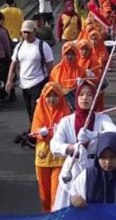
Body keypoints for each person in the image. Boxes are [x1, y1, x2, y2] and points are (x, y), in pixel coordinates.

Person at [50, 81, 116, 211]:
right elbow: (54, 145)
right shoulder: (67, 121)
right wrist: (71, 148)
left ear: (94, 98)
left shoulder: (102, 119)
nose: (85, 98)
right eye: (81, 94)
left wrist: (93, 134)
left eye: (89, 95)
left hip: (96, 170)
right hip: (73, 169)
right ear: (76, 97)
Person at [69, 132, 116, 208]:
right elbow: (73, 196)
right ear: (98, 156)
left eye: (112, 157)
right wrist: (74, 200)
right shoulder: (87, 176)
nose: (108, 162)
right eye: (103, 157)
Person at [31, 82, 72, 213]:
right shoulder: (39, 108)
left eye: (55, 95)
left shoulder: (66, 109)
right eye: (49, 96)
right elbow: (34, 131)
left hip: (60, 158)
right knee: (44, 196)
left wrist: (56, 132)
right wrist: (41, 133)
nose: (52, 99)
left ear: (60, 97)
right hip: (43, 157)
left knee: (56, 194)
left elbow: (69, 131)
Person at [6, 20, 54, 124]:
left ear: (35, 31)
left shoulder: (43, 46)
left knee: (35, 110)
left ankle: (36, 133)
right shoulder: (19, 47)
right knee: (29, 110)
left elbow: (50, 67)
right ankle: (34, 131)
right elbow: (13, 64)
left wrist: (51, 84)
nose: (26, 35)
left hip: (39, 83)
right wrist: (9, 80)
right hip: (24, 85)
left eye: (29, 32)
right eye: (24, 32)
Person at [49, 42, 87, 109]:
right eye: (67, 54)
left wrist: (81, 84)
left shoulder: (81, 71)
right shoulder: (56, 70)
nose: (69, 57)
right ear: (63, 55)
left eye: (72, 54)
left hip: (76, 104)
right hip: (60, 104)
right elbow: (51, 89)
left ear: (76, 55)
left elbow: (86, 89)